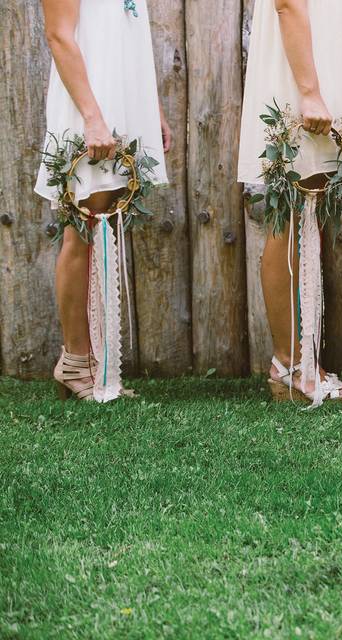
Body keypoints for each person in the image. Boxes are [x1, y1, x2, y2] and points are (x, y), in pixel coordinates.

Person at [238, 0, 342, 404]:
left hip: (326, 63)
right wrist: (309, 91)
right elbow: (288, 4)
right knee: (292, 208)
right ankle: (290, 364)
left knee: (306, 205)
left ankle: (301, 361)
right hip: (307, 72)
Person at [37, 0, 172, 401]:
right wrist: (92, 118)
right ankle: (76, 362)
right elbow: (59, 35)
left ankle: (95, 362)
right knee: (81, 226)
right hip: (89, 110)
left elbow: (127, 41)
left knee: (101, 225)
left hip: (121, 104)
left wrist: (153, 112)